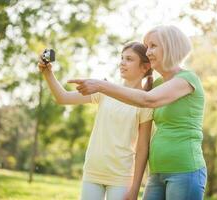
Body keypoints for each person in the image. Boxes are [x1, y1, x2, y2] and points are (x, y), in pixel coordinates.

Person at [68, 25, 207, 200]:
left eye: (153, 46)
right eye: (147, 46)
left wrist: (101, 86)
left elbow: (147, 100)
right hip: (156, 171)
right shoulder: (156, 85)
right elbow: (137, 98)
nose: (148, 52)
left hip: (185, 170)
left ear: (170, 47)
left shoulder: (187, 79)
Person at [38, 42, 153, 200]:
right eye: (121, 58)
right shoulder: (104, 89)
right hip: (93, 171)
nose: (122, 62)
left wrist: (135, 187)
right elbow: (62, 97)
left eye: (129, 59)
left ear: (145, 67)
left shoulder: (145, 102)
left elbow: (142, 149)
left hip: (121, 176)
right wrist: (47, 73)